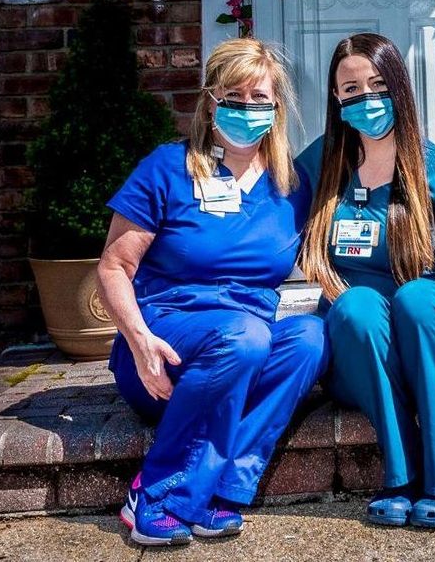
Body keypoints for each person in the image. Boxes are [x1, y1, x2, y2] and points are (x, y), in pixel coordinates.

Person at [96, 38, 329, 547]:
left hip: (243, 351)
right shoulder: (166, 167)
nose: (249, 110)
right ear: (210, 102)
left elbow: (335, 257)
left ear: (277, 108)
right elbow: (113, 264)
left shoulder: (294, 186)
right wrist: (137, 341)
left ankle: (217, 489)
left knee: (310, 336)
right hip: (165, 350)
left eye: (260, 99)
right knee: (242, 335)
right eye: (235, 97)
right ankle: (156, 494)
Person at [298, 32, 435, 530]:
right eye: (351, 88)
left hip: (431, 345)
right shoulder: (318, 165)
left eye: (378, 85)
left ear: (401, 88)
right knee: (356, 305)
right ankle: (401, 474)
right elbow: (277, 240)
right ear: (336, 98)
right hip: (359, 353)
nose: (366, 98)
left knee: (420, 296)